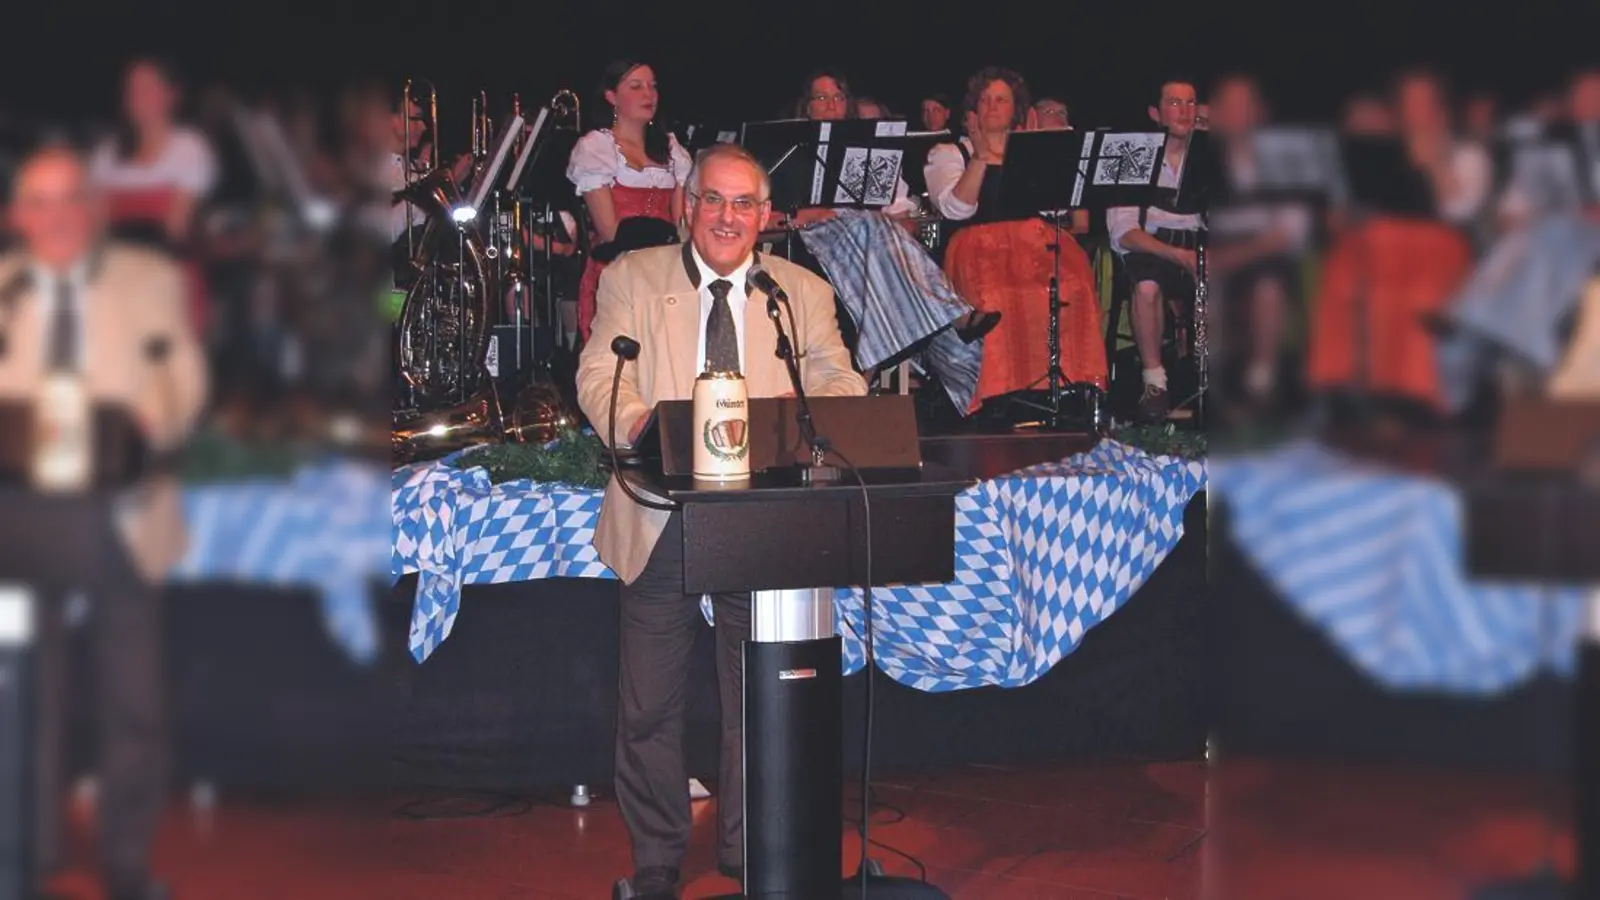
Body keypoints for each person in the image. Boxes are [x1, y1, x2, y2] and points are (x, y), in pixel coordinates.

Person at [576, 143, 865, 899]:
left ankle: (748, 846)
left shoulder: (799, 291)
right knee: (650, 703)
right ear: (687, 206)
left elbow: (837, 375)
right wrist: (640, 427)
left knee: (758, 697)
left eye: (743, 204)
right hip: (661, 513)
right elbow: (600, 371)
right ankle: (657, 857)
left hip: (763, 520)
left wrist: (821, 409)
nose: (727, 217)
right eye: (713, 200)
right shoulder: (632, 278)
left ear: (765, 217)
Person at [0, 144, 207, 900]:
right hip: (19, 519)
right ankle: (28, 855)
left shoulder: (146, 278)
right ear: (18, 216)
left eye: (69, 199)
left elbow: (183, 374)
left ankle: (125, 863)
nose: (56, 217)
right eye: (39, 201)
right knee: (27, 698)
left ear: (94, 209)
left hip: (121, 512)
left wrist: (157, 416)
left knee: (133, 705)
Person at [567, 59, 692, 343]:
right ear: (611, 97)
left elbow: (681, 223)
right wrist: (666, 237)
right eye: (636, 86)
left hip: (666, 271)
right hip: (618, 271)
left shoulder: (672, 149)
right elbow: (611, 233)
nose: (649, 94)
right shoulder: (597, 148)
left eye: (652, 86)